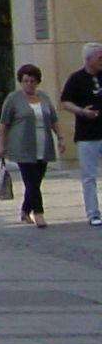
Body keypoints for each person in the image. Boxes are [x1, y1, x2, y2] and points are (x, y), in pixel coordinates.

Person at [0, 63, 61, 227]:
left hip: (43, 143)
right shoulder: (13, 99)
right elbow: (4, 123)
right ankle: (39, 214)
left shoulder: (44, 98)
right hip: (22, 145)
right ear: (20, 82)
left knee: (36, 181)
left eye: (32, 81)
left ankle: (25, 210)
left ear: (37, 82)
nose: (29, 85)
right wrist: (2, 145)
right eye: (25, 81)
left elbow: (53, 119)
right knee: (30, 181)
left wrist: (60, 137)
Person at [58, 41, 102, 226]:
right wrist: (82, 111)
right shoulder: (76, 78)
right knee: (89, 176)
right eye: (99, 57)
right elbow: (65, 101)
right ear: (88, 59)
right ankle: (93, 213)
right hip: (87, 135)